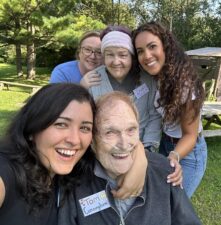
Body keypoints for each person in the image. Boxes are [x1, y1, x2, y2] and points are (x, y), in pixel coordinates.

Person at [0, 83, 147, 225]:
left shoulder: (70, 171)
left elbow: (121, 142)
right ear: (32, 128)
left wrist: (140, 162)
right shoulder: (6, 172)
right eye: (61, 124)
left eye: (84, 128)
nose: (74, 140)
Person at [58, 91, 202, 225]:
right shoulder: (74, 181)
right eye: (110, 132)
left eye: (131, 130)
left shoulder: (165, 172)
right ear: (92, 139)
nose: (124, 143)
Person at [133, 21, 208, 198]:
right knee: (160, 199)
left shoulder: (185, 84)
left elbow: (190, 134)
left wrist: (174, 156)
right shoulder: (155, 77)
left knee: (176, 204)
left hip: (188, 152)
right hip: (166, 144)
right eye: (140, 51)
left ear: (166, 47)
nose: (147, 55)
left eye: (152, 47)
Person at [87, 25, 161, 153]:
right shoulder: (93, 80)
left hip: (141, 149)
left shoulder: (147, 79)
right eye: (110, 55)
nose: (116, 62)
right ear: (104, 57)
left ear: (131, 57)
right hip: (105, 152)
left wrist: (148, 148)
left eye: (122, 55)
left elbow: (154, 116)